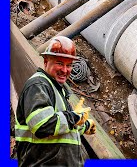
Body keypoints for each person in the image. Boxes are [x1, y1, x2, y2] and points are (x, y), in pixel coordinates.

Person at [15, 36, 96, 167]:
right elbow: (42, 125)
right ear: (46, 61)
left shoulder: (56, 89)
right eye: (60, 63)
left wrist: (84, 125)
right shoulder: (38, 85)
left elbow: (61, 129)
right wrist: (75, 117)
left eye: (69, 65)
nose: (65, 70)